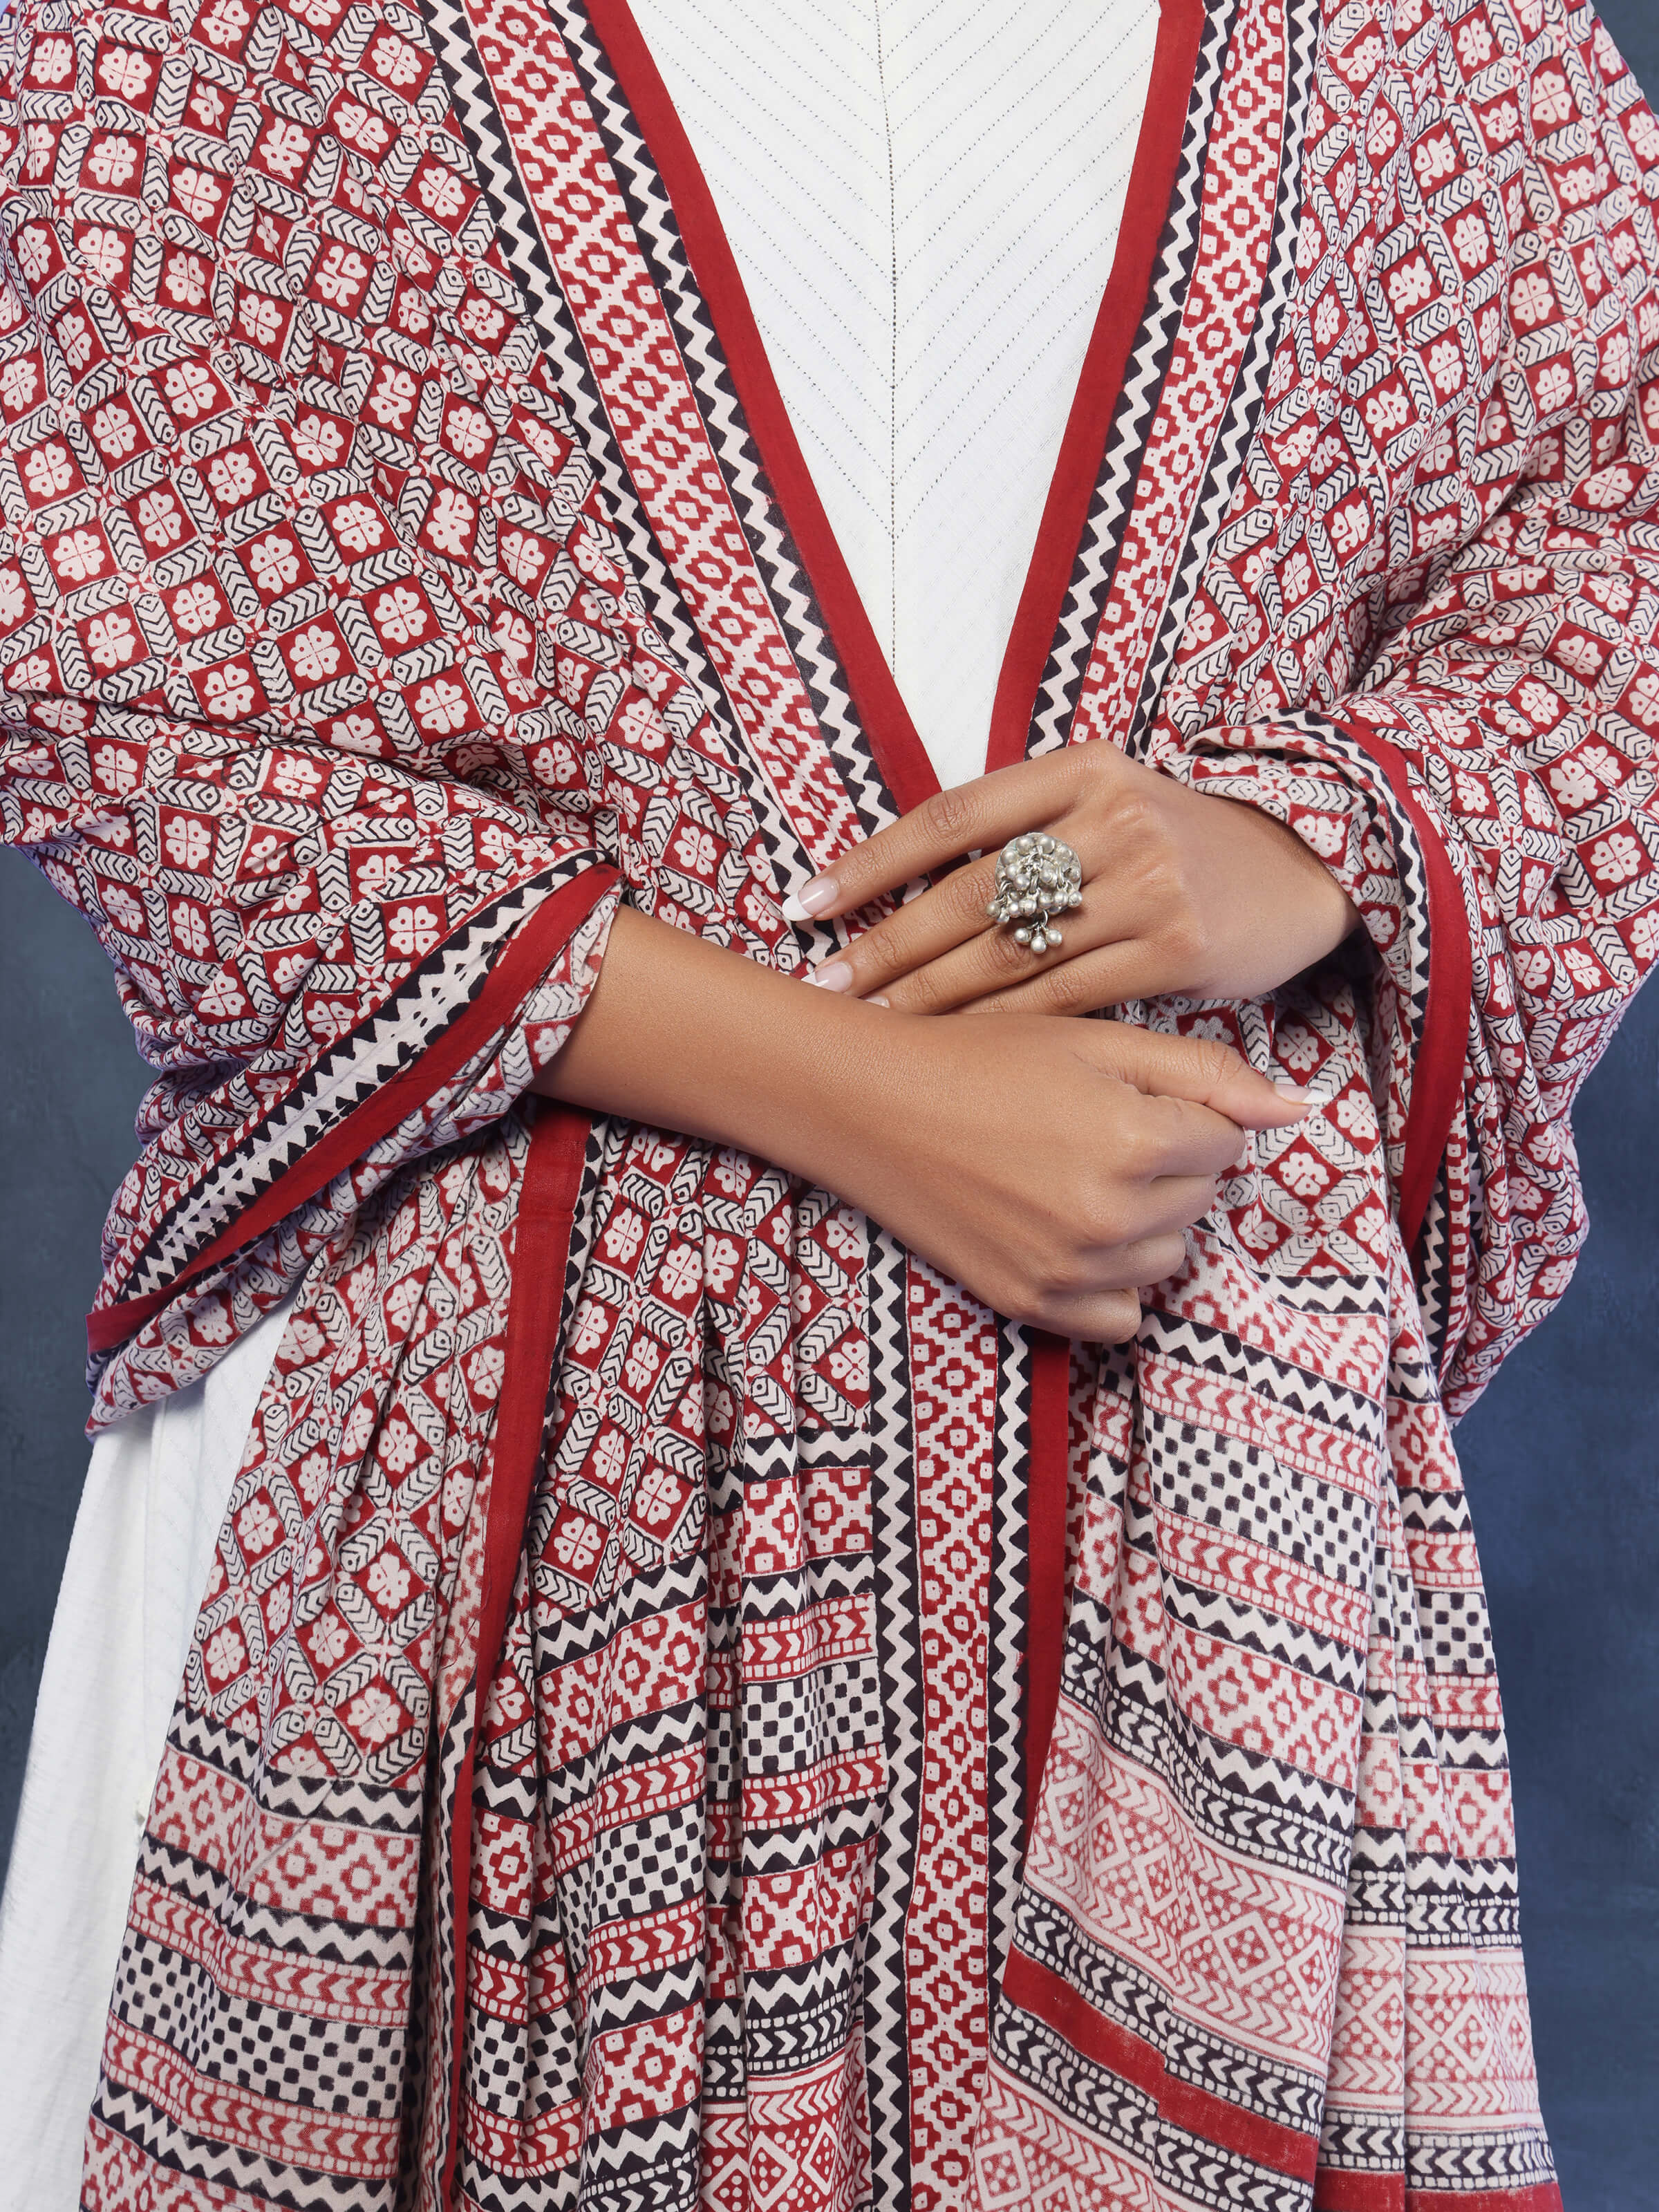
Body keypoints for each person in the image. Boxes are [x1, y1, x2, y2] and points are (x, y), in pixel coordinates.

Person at [0, 0, 1653, 2204]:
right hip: (453, 1471)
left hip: (1201, 1414)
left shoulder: (1411, 32)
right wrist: (861, 1092)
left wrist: (1300, 842)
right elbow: (107, 694)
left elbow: (1611, 534)